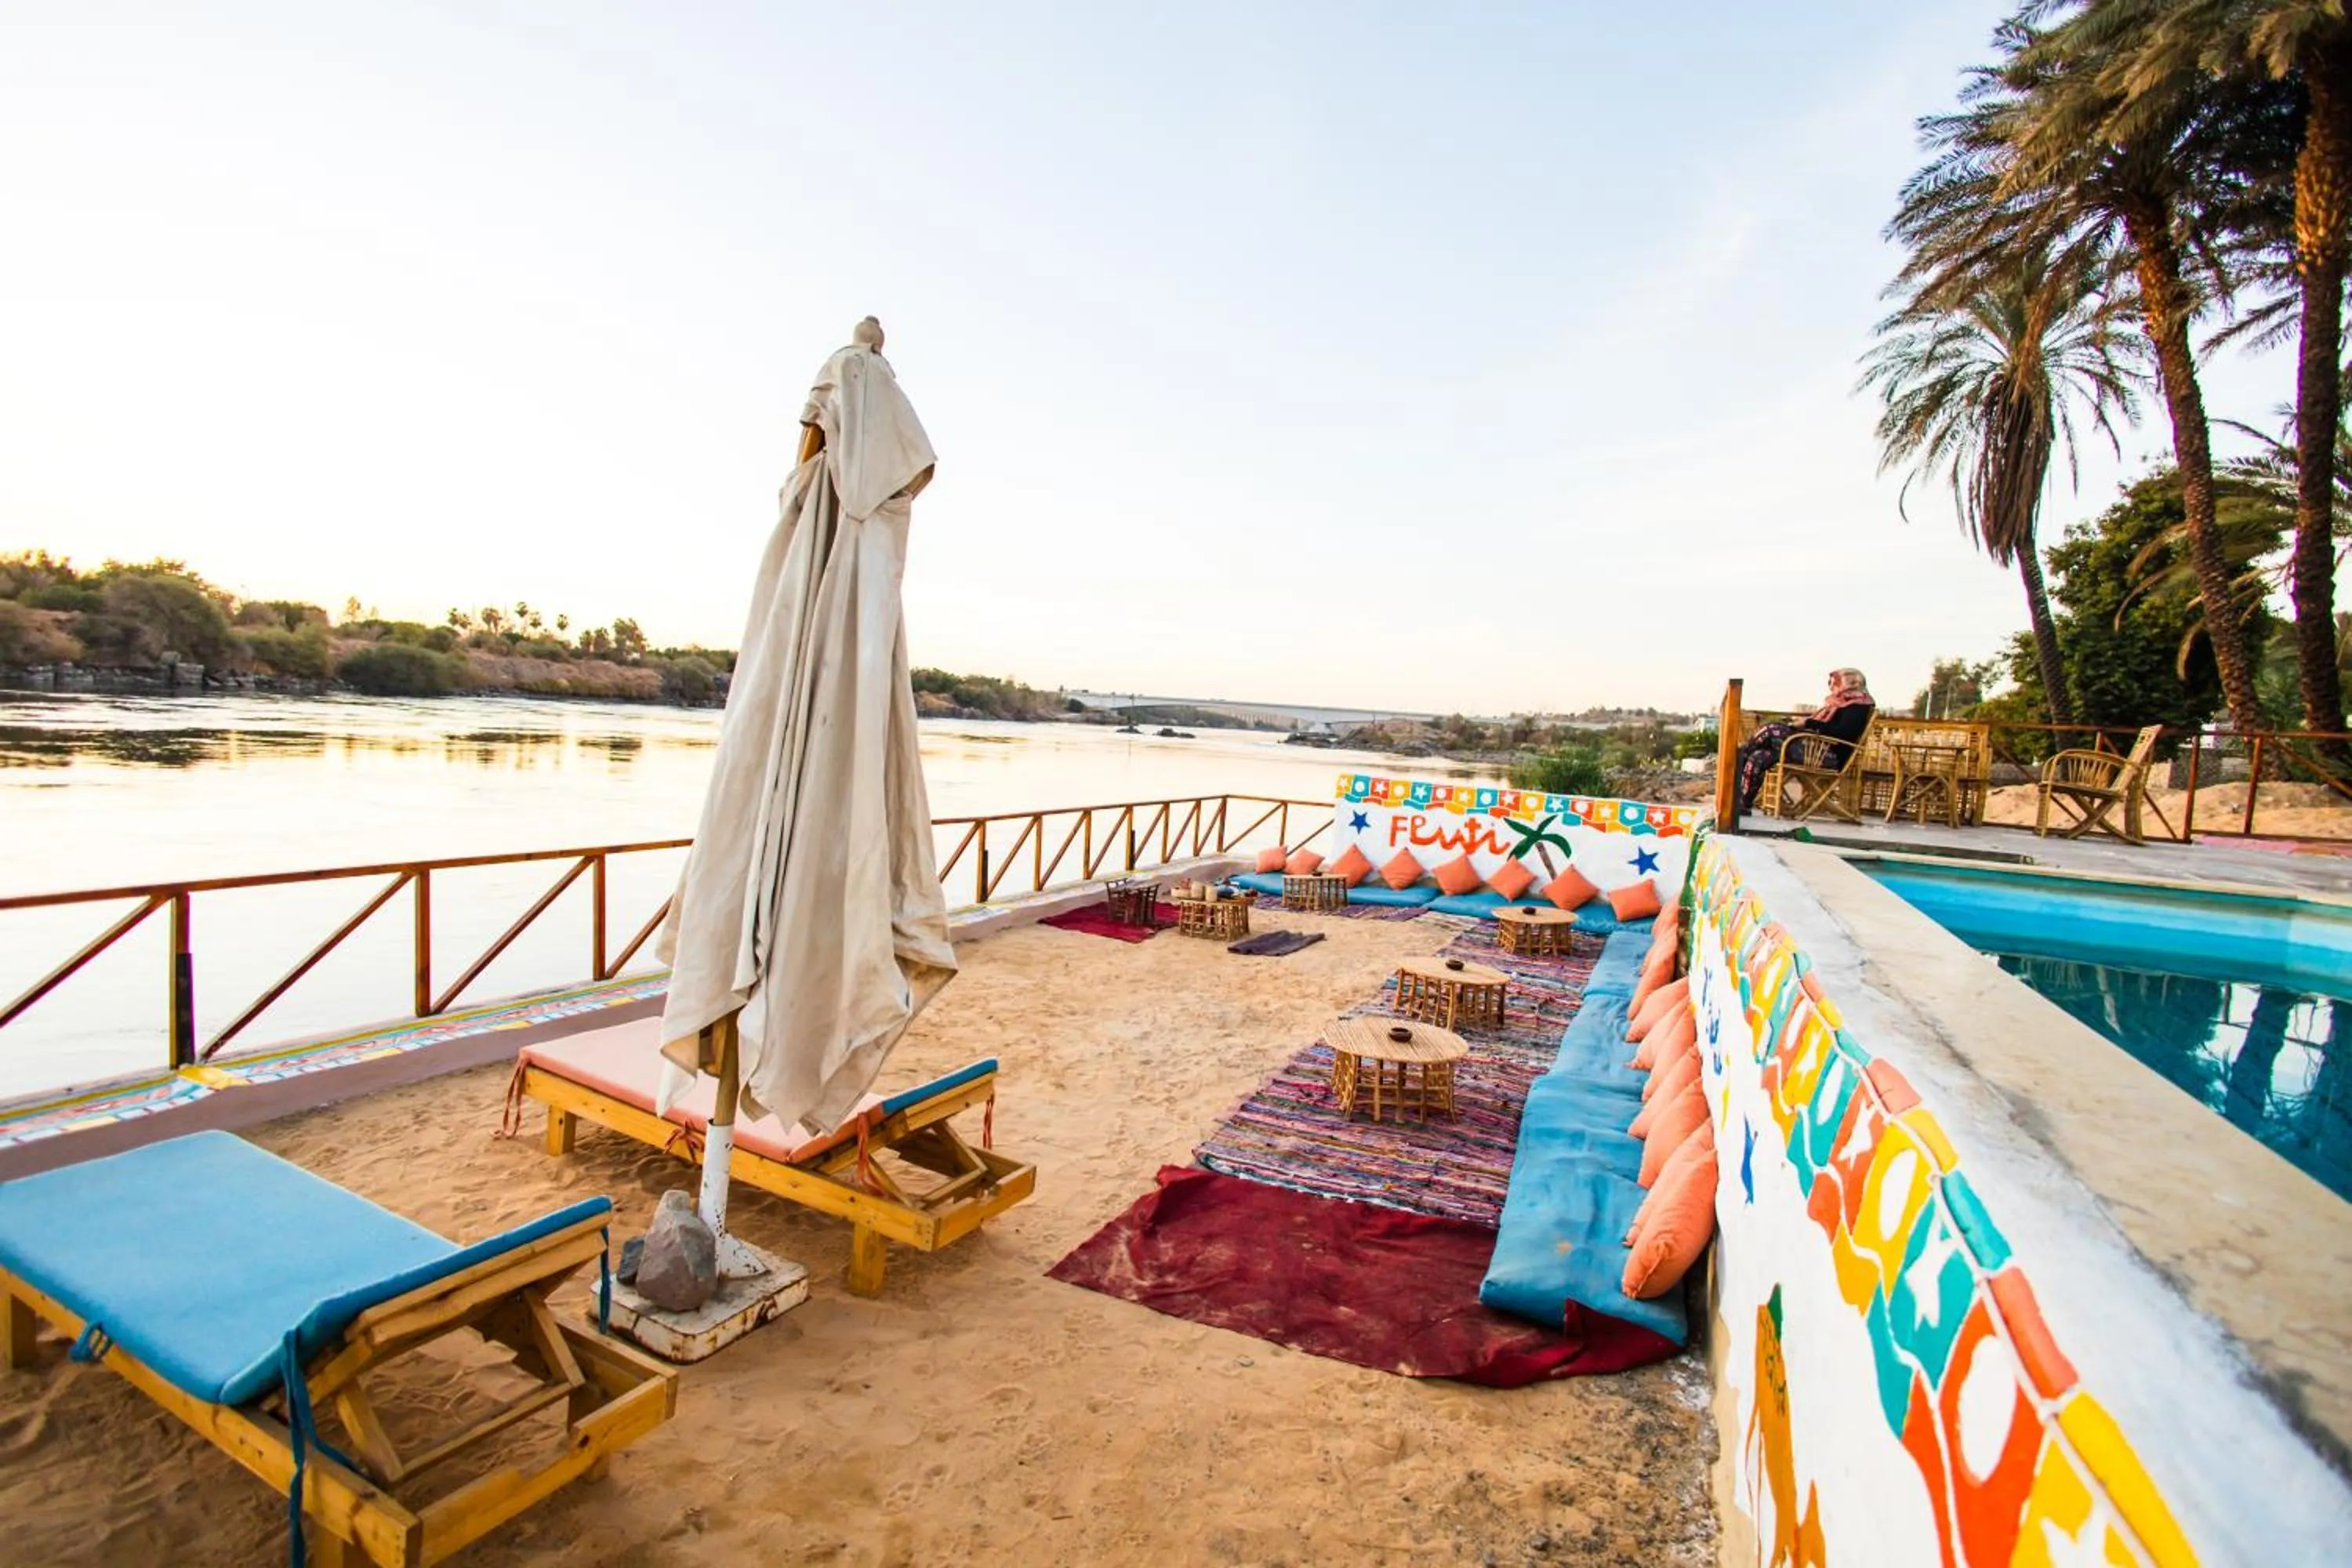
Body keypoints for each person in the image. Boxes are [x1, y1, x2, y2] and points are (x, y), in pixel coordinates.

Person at [1737, 669, 1876, 815]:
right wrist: (1804, 726)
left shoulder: (1859, 705)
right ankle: (1743, 805)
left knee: (1771, 730)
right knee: (1759, 756)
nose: (1833, 685)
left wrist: (1808, 724)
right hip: (1815, 749)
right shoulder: (1840, 703)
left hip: (1829, 757)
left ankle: (1737, 762)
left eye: (1838, 682)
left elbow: (1843, 733)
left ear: (1854, 683)